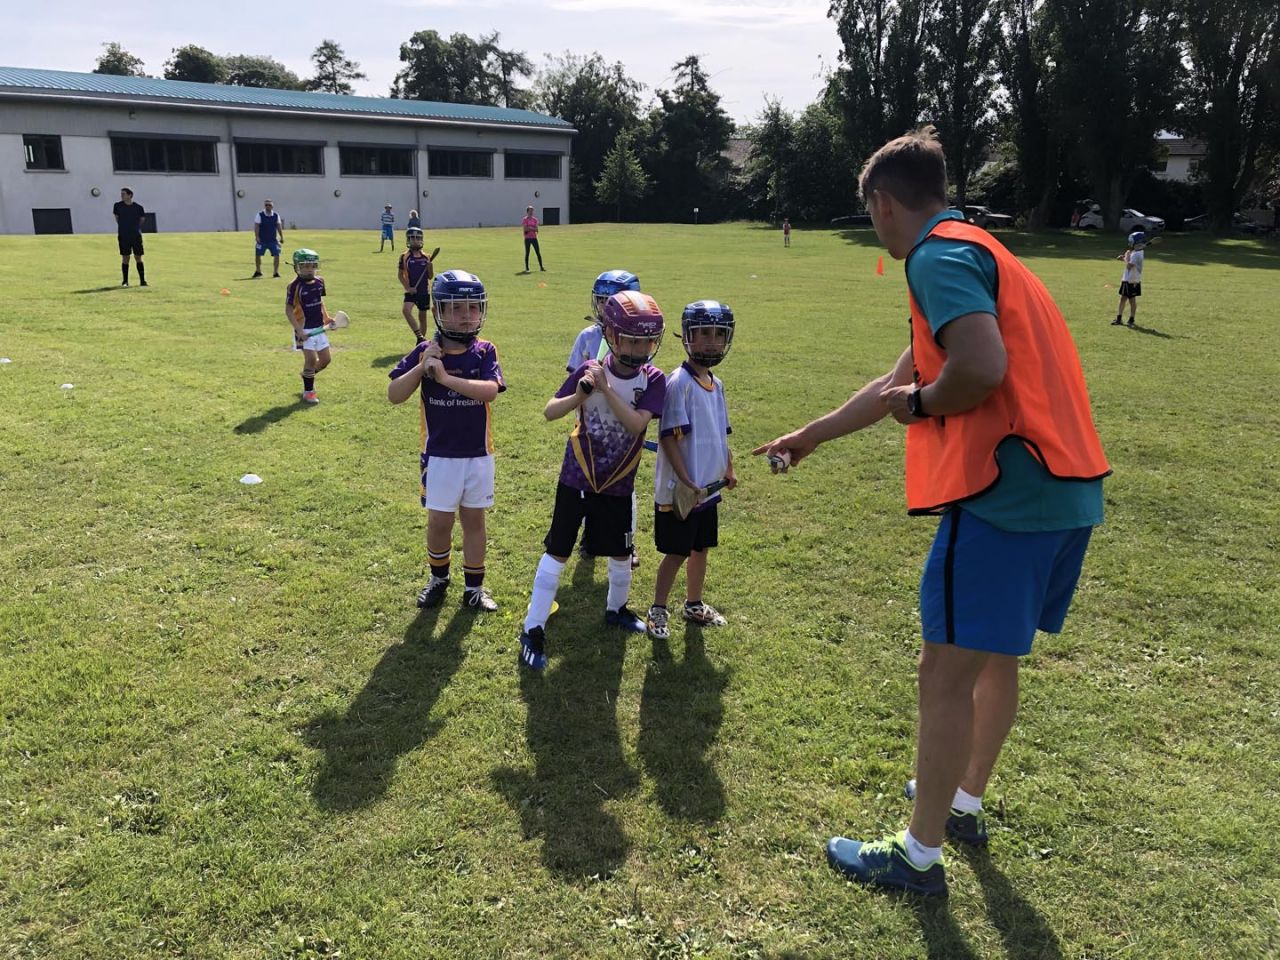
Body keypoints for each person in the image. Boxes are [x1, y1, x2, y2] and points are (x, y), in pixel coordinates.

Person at [754, 126, 1110, 898]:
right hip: (1067, 489)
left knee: (944, 668)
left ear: (882, 204)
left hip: (1004, 492)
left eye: (870, 214)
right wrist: (812, 436)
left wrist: (923, 405)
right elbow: (903, 375)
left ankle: (919, 854)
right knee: (994, 655)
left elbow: (974, 370)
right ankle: (964, 804)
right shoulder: (981, 249)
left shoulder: (937, 258)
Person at [518, 291, 667, 671]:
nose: (640, 348)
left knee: (620, 553)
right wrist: (581, 391)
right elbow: (551, 411)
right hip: (576, 477)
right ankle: (533, 627)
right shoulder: (589, 367)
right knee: (559, 551)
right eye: (632, 339)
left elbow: (636, 425)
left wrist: (605, 390)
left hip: (618, 484)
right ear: (612, 336)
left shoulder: (653, 379)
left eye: (647, 340)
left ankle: (615, 609)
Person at [388, 270, 505, 612]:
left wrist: (444, 378)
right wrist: (421, 368)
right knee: (439, 522)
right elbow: (394, 394)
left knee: (474, 521)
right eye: (456, 308)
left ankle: (474, 588)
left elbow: (491, 391)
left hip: (478, 455)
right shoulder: (427, 350)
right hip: (439, 456)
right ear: (439, 310)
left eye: (472, 307)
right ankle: (438, 579)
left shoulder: (484, 352)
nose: (466, 315)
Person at [646, 300, 738, 642]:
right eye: (703, 335)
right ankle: (657, 608)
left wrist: (728, 467)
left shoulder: (718, 384)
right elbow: (669, 438)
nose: (711, 342)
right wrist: (686, 481)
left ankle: (693, 603)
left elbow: (720, 432)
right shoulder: (678, 383)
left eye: (718, 335)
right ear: (686, 338)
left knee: (700, 548)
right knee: (677, 551)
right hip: (681, 491)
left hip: (708, 490)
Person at [568, 270, 645, 568]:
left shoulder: (637, 338)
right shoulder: (587, 337)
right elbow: (573, 381)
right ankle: (591, 536)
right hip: (590, 425)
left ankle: (627, 541)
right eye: (601, 301)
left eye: (612, 302)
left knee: (624, 486)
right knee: (589, 483)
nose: (605, 308)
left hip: (623, 425)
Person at [285, 249, 332, 404]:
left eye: (312, 265)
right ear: (297, 267)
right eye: (305, 266)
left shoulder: (320, 282)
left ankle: (307, 375)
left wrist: (326, 317)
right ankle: (308, 392)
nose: (309, 269)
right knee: (311, 359)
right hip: (304, 329)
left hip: (319, 328)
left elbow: (320, 301)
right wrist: (299, 330)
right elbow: (288, 309)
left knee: (325, 360)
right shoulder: (294, 286)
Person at [1112, 229, 1157, 327]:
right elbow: (1129, 261)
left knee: (1132, 300)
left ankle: (1131, 320)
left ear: (1137, 242)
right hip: (1127, 279)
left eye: (1132, 241)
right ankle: (1119, 318)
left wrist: (1125, 257)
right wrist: (1126, 257)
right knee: (1123, 298)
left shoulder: (1138, 254)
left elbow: (1129, 265)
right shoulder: (1136, 251)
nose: (1130, 243)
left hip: (1132, 280)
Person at [398, 227, 434, 343]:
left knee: (422, 317)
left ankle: (421, 343)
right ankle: (419, 336)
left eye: (417, 238)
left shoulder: (426, 257)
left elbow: (430, 276)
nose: (415, 240)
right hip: (411, 291)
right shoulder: (404, 257)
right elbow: (400, 275)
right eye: (412, 238)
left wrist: (430, 268)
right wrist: (408, 288)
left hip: (423, 291)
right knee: (406, 310)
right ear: (408, 240)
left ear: (421, 240)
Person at [112, 188, 147, 287]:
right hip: (123, 235)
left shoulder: (138, 207)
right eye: (121, 194)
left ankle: (142, 280)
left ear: (130, 195)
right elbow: (117, 218)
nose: (122, 196)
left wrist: (135, 228)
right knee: (125, 257)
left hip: (135, 235)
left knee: (138, 257)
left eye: (124, 194)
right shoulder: (118, 206)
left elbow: (142, 219)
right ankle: (125, 281)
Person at [253, 199, 284, 279]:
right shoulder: (260, 215)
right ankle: (258, 271)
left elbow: (279, 226)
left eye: (269, 205)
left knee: (277, 255)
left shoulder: (276, 215)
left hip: (273, 240)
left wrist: (281, 236)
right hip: (262, 240)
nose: (268, 206)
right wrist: (257, 237)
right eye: (266, 205)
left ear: (272, 206)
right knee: (258, 255)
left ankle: (276, 272)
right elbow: (256, 226)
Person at [521, 205, 544, 272]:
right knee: (527, 253)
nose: (531, 212)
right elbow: (525, 229)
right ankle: (527, 268)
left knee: (538, 252)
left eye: (532, 211)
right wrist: (532, 228)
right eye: (530, 211)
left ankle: (541, 267)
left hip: (534, 238)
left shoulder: (535, 220)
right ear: (527, 211)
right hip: (527, 238)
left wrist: (530, 228)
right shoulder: (525, 219)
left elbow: (537, 229)